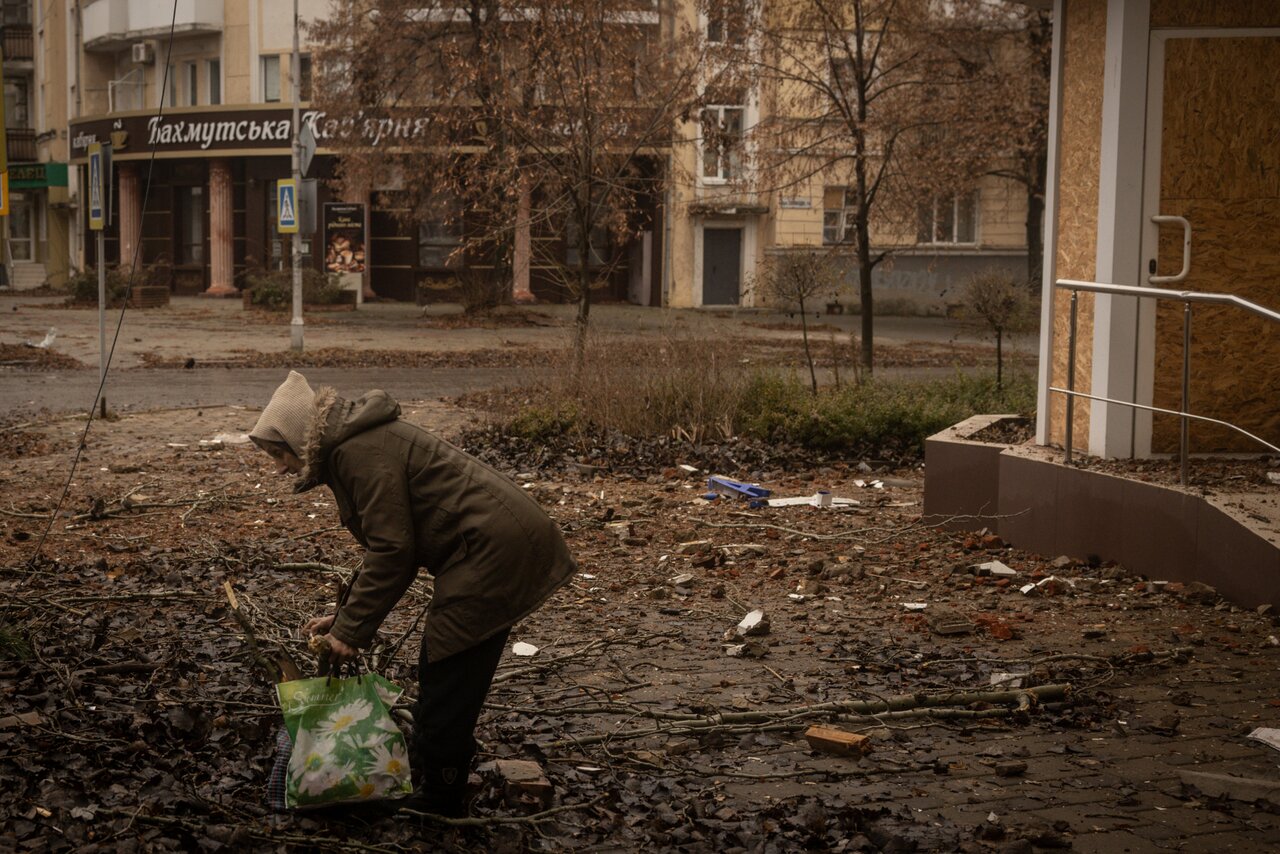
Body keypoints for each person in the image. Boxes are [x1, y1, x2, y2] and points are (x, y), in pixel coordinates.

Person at [249, 371, 576, 816]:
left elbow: (393, 551)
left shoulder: (357, 452)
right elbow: (392, 543)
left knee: (447, 667)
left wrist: (351, 632)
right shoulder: (353, 445)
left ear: (297, 437)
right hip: (485, 547)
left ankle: (442, 799)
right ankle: (440, 772)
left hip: (492, 550)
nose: (280, 468)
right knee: (446, 668)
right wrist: (344, 618)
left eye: (278, 454)